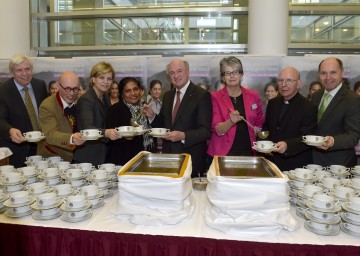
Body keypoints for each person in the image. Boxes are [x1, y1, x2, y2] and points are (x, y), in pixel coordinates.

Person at [144, 59, 212, 177]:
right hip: (169, 158)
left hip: (191, 159)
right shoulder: (168, 96)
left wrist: (183, 136)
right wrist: (152, 116)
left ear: (188, 72)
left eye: (179, 71)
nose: (176, 75)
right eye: (172, 73)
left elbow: (205, 131)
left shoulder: (201, 95)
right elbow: (164, 126)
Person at [207, 56, 263, 160]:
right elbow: (218, 129)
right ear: (223, 77)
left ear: (241, 74)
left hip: (248, 150)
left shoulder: (253, 96)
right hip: (223, 153)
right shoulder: (214, 97)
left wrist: (257, 129)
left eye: (235, 72)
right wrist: (231, 121)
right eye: (227, 73)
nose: (232, 76)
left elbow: (259, 119)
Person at [262, 66, 317, 171]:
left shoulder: (308, 107)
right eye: (281, 80)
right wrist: (264, 145)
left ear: (298, 84)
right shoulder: (273, 103)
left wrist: (288, 146)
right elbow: (266, 128)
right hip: (271, 162)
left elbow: (308, 137)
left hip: (295, 165)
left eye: (289, 81)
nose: (283, 85)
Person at [0, 55, 48, 167]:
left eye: (27, 69)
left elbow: (45, 111)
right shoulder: (3, 91)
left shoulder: (40, 85)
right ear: (12, 73)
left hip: (41, 146)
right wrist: (9, 130)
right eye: (19, 70)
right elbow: (1, 118)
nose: (25, 74)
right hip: (18, 149)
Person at [311, 57, 360, 167]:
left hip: (339, 166)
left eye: (333, 72)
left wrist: (333, 141)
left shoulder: (352, 99)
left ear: (342, 73)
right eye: (324, 73)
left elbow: (353, 136)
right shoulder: (316, 96)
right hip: (313, 163)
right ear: (319, 75)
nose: (328, 77)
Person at [72, 62, 119, 166]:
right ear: (93, 79)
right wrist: (106, 133)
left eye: (109, 79)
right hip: (87, 157)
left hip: (102, 155)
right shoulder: (85, 99)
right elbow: (88, 129)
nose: (106, 82)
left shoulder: (106, 97)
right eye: (101, 78)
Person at [37, 72, 86, 162]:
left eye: (75, 89)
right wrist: (72, 138)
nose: (71, 93)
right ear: (59, 86)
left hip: (77, 158)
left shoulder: (80, 102)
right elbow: (51, 135)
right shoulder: (47, 106)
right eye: (67, 89)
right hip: (54, 159)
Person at [106, 77, 153, 165]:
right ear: (122, 94)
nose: (133, 93)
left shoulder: (145, 107)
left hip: (145, 158)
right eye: (128, 91)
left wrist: (152, 116)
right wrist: (124, 137)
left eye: (135, 89)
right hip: (123, 161)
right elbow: (110, 137)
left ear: (140, 90)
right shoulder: (115, 110)